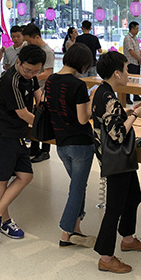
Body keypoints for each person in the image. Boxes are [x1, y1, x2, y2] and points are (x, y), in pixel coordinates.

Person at [92, 51, 141, 273]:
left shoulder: (102, 92)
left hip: (117, 158)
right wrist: (136, 116)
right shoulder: (109, 97)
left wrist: (128, 111)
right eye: (126, 70)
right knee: (114, 207)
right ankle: (106, 257)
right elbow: (117, 134)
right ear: (117, 73)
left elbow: (108, 119)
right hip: (116, 158)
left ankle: (127, 239)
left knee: (134, 196)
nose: (128, 74)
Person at [0, 45, 46, 244]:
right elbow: (23, 114)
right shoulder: (11, 80)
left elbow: (39, 98)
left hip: (17, 134)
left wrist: (48, 111)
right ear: (18, 62)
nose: (31, 74)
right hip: (2, 134)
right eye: (27, 70)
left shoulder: (31, 77)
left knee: (26, 175)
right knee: (1, 179)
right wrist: (46, 126)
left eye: (36, 71)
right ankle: (4, 221)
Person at [46, 44, 97, 248]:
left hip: (61, 143)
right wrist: (92, 99)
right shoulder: (78, 85)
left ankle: (76, 229)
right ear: (82, 63)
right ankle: (66, 233)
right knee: (77, 188)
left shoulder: (51, 80)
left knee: (78, 185)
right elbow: (83, 118)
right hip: (80, 144)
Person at [22, 23, 55, 162]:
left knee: (43, 119)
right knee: (33, 119)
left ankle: (45, 150)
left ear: (37, 37)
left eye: (29, 41)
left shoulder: (47, 52)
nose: (28, 44)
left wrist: (31, 76)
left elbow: (48, 73)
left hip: (43, 91)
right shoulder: (32, 50)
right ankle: (34, 146)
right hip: (32, 90)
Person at [123, 21, 141, 104]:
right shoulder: (128, 38)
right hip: (131, 63)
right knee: (129, 80)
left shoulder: (134, 38)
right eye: (136, 29)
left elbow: (137, 49)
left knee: (136, 80)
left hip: (136, 62)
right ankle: (127, 97)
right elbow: (131, 51)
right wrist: (139, 58)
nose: (138, 30)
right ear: (132, 29)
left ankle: (136, 96)